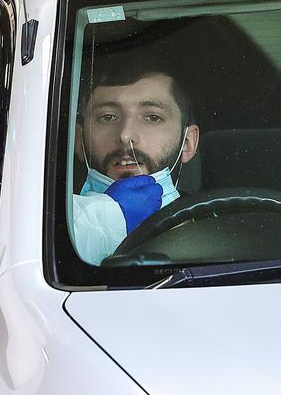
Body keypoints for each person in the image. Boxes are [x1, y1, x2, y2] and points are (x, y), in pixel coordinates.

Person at [70, 50, 200, 265]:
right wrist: (107, 216)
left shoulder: (221, 226)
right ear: (79, 141)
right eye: (108, 117)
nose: (125, 135)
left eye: (152, 117)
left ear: (187, 143)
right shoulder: (44, 225)